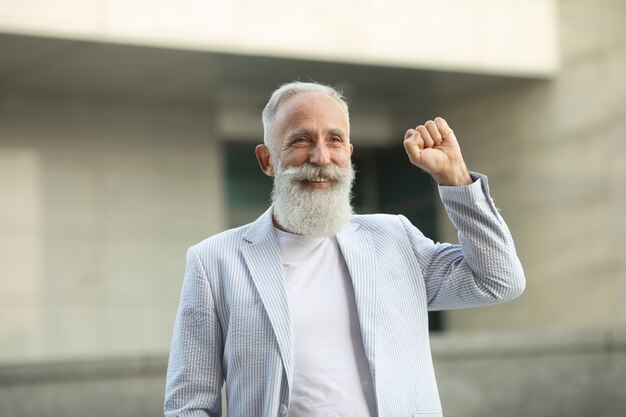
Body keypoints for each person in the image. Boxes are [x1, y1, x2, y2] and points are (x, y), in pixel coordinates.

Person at [164, 81, 525, 417]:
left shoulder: (395, 238)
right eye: (301, 140)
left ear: (348, 153)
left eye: (334, 140)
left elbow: (498, 280)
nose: (321, 157)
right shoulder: (214, 262)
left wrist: (455, 179)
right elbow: (190, 403)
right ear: (267, 160)